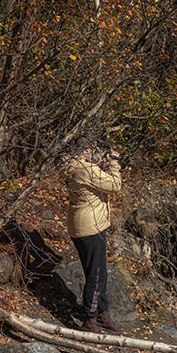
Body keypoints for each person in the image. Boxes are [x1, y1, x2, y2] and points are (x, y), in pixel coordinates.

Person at [63, 141, 123, 333]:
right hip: (91, 227)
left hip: (80, 225)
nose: (94, 151)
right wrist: (113, 162)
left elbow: (95, 183)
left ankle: (102, 313)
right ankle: (90, 318)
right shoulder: (85, 169)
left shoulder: (72, 165)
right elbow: (114, 185)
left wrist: (98, 163)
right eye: (91, 148)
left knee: (98, 272)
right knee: (96, 276)